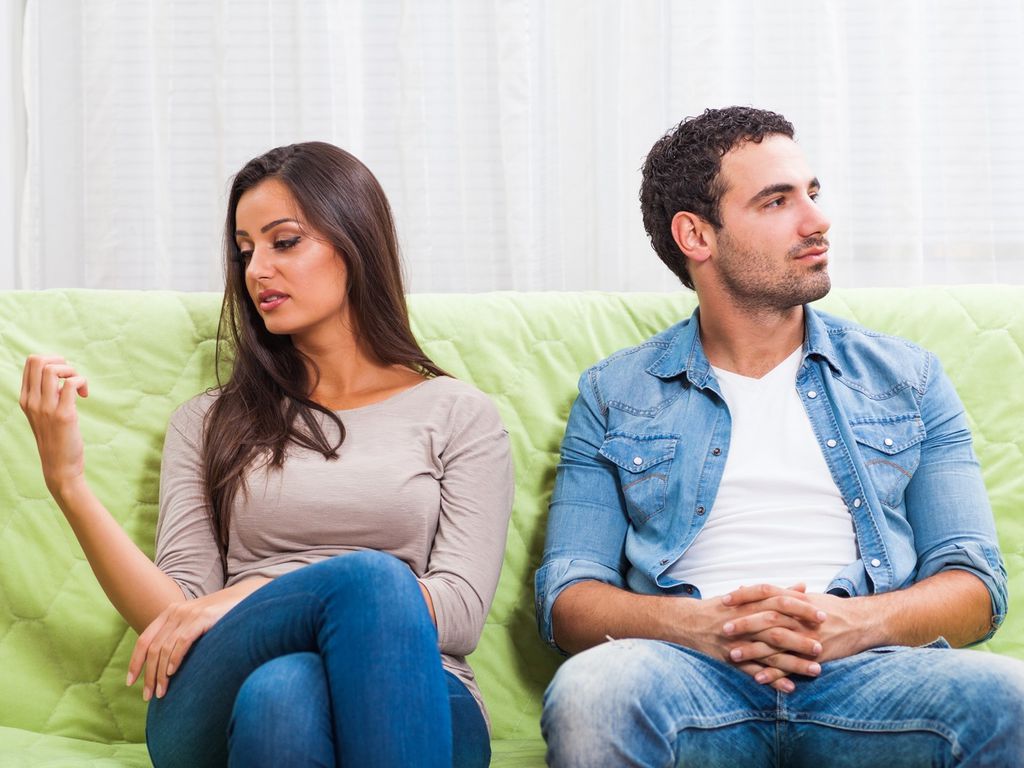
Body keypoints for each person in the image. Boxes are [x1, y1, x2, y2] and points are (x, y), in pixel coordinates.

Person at [535, 106, 1024, 766]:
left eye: (812, 193)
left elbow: (975, 584)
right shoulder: (613, 393)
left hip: (867, 674)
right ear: (696, 235)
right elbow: (568, 600)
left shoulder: (907, 378)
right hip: (686, 674)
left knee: (1010, 696)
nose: (817, 220)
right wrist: (704, 627)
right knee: (592, 692)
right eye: (776, 201)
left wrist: (853, 624)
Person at [20, 141, 513, 768]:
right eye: (245, 251)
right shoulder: (208, 421)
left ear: (355, 241)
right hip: (219, 686)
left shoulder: (459, 413)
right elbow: (177, 616)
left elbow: (461, 610)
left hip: (420, 687)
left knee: (287, 694)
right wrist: (68, 482)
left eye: (284, 242)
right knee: (364, 588)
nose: (256, 270)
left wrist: (241, 596)